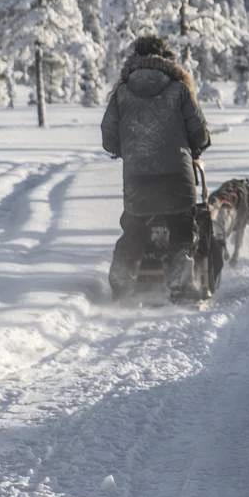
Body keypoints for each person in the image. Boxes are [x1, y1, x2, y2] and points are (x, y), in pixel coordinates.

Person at [101, 34, 212, 299]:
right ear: (167, 59)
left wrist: (122, 150)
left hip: (137, 177)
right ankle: (180, 275)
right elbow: (198, 131)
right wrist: (197, 145)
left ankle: (123, 270)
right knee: (183, 226)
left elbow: (108, 134)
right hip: (177, 176)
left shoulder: (122, 92)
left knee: (134, 226)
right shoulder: (179, 89)